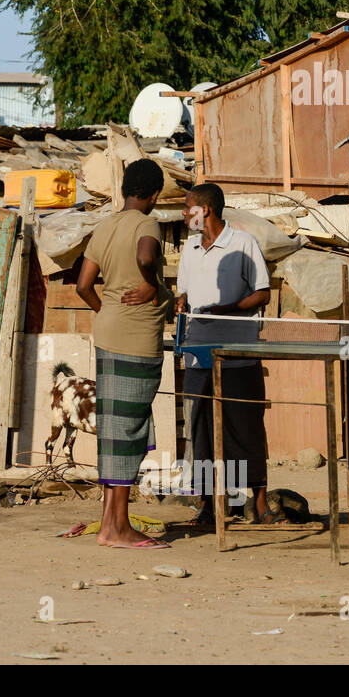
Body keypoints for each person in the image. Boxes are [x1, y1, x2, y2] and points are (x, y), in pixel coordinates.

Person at [76, 158, 172, 549]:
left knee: (117, 431)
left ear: (123, 190)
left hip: (108, 332)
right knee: (128, 431)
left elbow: (84, 285)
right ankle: (117, 528)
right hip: (136, 337)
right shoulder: (147, 224)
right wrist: (153, 286)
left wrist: (107, 311)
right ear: (153, 195)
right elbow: (147, 258)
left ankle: (109, 525)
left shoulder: (106, 225)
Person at [174, 183, 274, 525]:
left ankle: (259, 503)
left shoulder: (244, 244)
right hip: (199, 353)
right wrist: (180, 303)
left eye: (189, 208)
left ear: (207, 211)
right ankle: (208, 503)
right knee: (201, 429)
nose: (185, 214)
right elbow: (184, 292)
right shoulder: (189, 248)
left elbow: (263, 294)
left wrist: (229, 308)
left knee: (245, 426)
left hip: (239, 353)